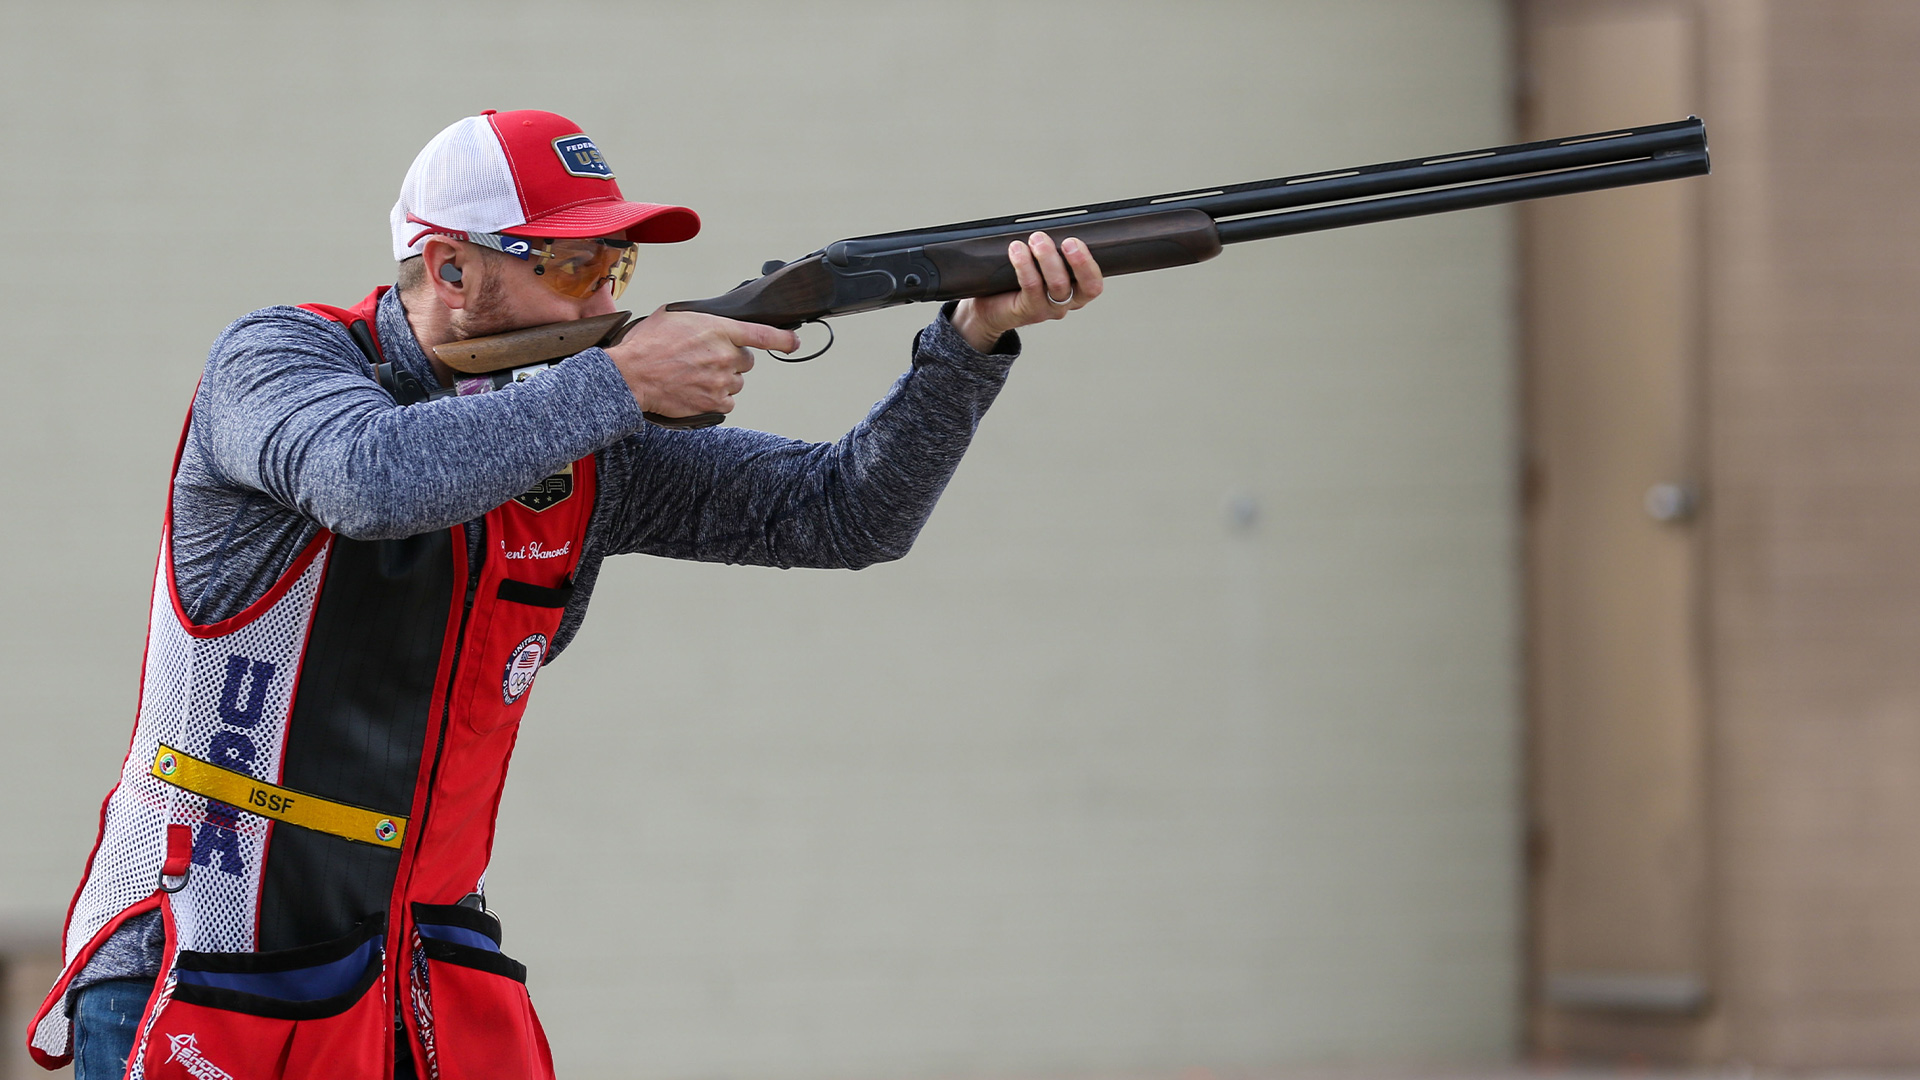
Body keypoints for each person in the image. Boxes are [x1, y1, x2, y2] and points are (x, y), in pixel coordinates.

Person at [27, 109, 1102, 1080]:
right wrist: (621, 381)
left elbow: (843, 514)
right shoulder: (279, 358)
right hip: (208, 955)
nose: (607, 296)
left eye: (618, 266)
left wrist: (968, 344)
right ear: (448, 268)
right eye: (577, 263)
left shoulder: (584, 437)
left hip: (413, 975)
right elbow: (369, 480)